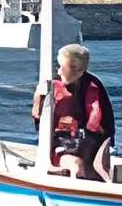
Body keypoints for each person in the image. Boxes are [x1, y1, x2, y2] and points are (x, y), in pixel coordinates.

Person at [33, 42, 115, 180]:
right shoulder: (52, 85)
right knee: (74, 163)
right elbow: (38, 117)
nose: (59, 71)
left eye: (63, 68)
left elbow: (98, 127)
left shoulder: (93, 87)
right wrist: (39, 98)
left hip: (89, 143)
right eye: (58, 67)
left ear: (80, 71)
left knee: (83, 167)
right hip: (61, 141)